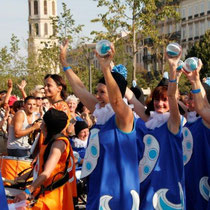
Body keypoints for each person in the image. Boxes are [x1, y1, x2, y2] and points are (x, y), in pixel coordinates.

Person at [60, 39, 141, 209]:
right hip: (98, 185)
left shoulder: (125, 116)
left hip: (119, 190)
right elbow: (80, 89)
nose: (96, 96)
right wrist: (64, 63)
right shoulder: (101, 112)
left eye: (101, 92)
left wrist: (105, 68)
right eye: (97, 91)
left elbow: (117, 101)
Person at [126, 51, 185, 209]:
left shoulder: (173, 123)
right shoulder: (151, 121)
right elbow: (131, 98)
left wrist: (173, 69)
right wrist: (110, 70)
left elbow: (173, 97)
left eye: (164, 100)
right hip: (147, 185)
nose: (160, 103)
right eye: (157, 99)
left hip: (168, 185)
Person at [14, 108, 75, 209]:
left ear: (45, 126)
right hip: (44, 189)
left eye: (43, 122)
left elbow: (47, 173)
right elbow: (40, 166)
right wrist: (21, 178)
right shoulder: (49, 140)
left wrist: (27, 191)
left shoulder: (58, 144)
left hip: (53, 194)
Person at [181, 60, 210, 210]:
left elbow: (202, 107)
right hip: (192, 182)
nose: (188, 101)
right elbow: (202, 107)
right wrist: (195, 80)